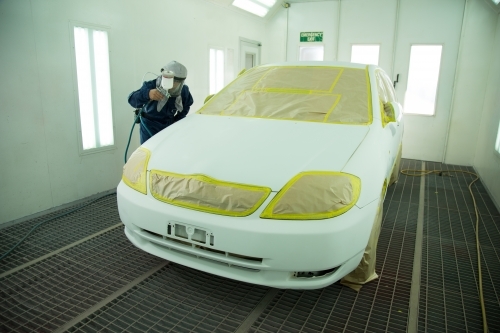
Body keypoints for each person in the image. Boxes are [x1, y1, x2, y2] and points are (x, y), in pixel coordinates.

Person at [128, 61, 194, 144]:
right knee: (149, 151)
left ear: (181, 82)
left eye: (175, 81)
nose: (172, 84)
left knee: (165, 150)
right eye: (169, 79)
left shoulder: (183, 90)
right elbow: (131, 99)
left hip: (168, 125)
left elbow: (186, 105)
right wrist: (147, 94)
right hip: (149, 125)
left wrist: (178, 119)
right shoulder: (151, 85)